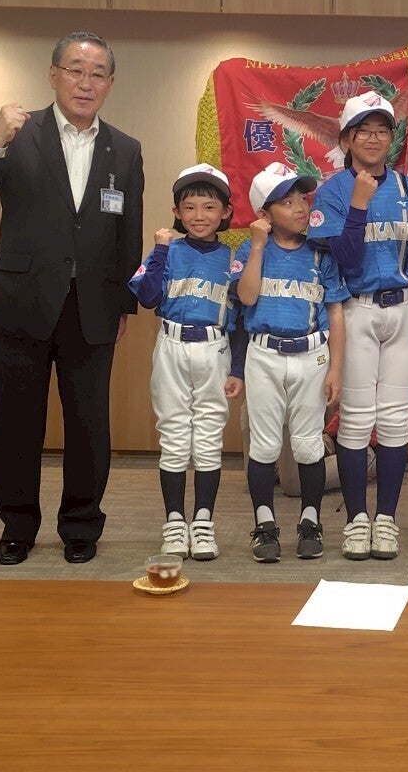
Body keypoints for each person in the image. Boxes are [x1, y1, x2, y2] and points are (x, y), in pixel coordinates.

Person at [0, 31, 143, 566]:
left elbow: (127, 232)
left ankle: (81, 525)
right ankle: (17, 525)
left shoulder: (125, 149)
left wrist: (123, 303)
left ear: (110, 83)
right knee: (17, 421)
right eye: (75, 70)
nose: (85, 82)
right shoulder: (18, 133)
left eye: (97, 73)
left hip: (92, 307)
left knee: (89, 424)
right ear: (53, 74)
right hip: (23, 301)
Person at [307, 93, 408, 560]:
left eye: (382, 130)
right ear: (346, 139)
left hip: (405, 308)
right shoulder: (333, 190)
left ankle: (386, 520)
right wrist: (359, 205)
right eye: (363, 131)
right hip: (356, 309)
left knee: (396, 420)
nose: (374, 138)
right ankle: (357, 520)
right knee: (357, 420)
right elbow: (344, 257)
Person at [128, 164, 243, 561]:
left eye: (209, 207)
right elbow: (146, 297)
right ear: (176, 212)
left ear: (226, 212)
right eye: (189, 207)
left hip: (215, 348)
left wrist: (238, 369)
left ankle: (203, 522)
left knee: (209, 438)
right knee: (174, 436)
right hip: (172, 345)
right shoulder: (168, 251)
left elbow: (242, 319)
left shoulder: (233, 259)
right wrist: (160, 250)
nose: (199, 216)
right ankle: (175, 522)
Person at [236, 162, 348, 562]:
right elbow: (247, 297)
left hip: (311, 355)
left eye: (303, 198)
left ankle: (310, 521)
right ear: (264, 214)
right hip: (264, 354)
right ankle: (265, 525)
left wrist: (336, 368)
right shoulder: (250, 250)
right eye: (287, 202)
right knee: (265, 444)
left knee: (307, 443)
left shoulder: (320, 252)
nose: (301, 208)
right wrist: (258, 246)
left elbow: (335, 312)